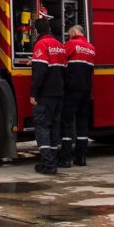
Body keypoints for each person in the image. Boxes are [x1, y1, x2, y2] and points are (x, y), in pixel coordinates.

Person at [29, 18, 67, 175]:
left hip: (45, 94)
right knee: (54, 128)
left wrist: (34, 93)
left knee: (42, 127)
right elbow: (64, 70)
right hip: (59, 94)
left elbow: (40, 72)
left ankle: (48, 164)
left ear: (36, 31)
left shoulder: (41, 45)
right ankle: (53, 160)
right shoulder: (60, 45)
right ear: (49, 28)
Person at [60, 25, 96, 167]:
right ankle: (81, 157)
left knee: (67, 123)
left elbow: (59, 59)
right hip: (86, 90)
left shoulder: (71, 45)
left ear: (74, 32)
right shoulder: (91, 48)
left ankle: (66, 159)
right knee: (82, 124)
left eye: (69, 33)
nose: (68, 36)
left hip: (71, 89)